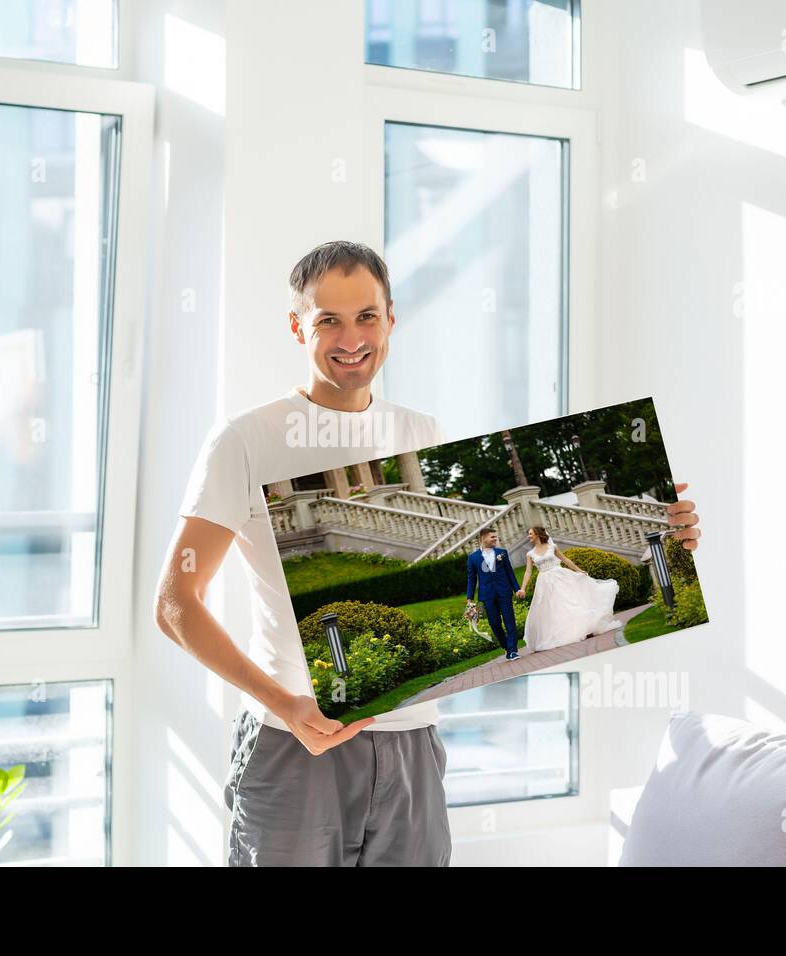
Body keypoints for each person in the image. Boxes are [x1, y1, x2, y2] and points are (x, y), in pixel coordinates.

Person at [153, 240, 706, 867]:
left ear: (391, 318)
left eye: (366, 315)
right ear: (295, 326)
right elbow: (175, 604)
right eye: (327, 319)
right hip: (292, 746)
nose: (351, 337)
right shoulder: (244, 439)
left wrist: (668, 528)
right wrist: (284, 704)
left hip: (412, 743)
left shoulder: (418, 431)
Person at [518, 525, 621, 653]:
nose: (529, 536)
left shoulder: (552, 547)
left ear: (538, 534)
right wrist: (522, 588)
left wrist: (578, 570)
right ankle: (561, 633)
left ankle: (583, 628)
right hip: (544, 581)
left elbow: (565, 559)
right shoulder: (530, 554)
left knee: (569, 602)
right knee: (552, 607)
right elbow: (528, 572)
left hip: (559, 576)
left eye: (530, 533)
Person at [465, 528, 522, 660]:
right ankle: (507, 647)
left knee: (510, 621)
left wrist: (517, 588)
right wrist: (469, 598)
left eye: (496, 537)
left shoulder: (502, 552)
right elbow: (471, 579)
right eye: (492, 537)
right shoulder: (473, 558)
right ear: (483, 538)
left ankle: (513, 650)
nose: (495, 539)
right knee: (494, 623)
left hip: (504, 591)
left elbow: (510, 573)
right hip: (487, 595)